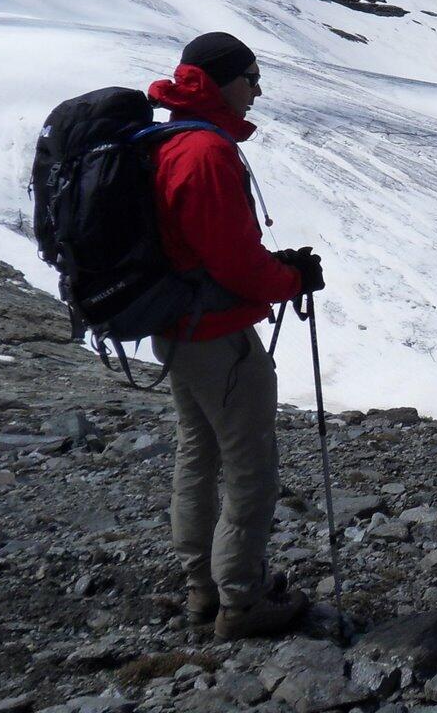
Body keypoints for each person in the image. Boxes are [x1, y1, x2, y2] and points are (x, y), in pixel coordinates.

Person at [146, 32, 326, 640]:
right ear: (217, 81)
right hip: (217, 335)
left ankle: (203, 590)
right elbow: (234, 263)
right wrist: (290, 278)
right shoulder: (205, 152)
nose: (257, 91)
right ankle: (241, 603)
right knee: (251, 466)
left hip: (179, 327)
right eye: (250, 78)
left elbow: (204, 248)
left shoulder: (170, 140)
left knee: (198, 453)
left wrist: (274, 269)